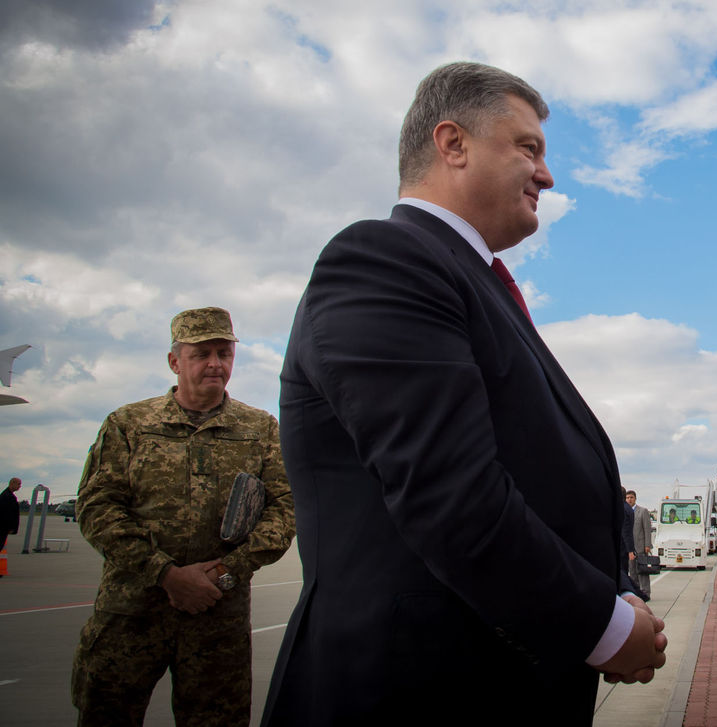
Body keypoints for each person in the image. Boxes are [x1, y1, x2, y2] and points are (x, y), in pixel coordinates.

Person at [262, 62, 666, 726]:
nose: (547, 175)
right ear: (453, 144)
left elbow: (541, 482)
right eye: (528, 148)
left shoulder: (469, 279)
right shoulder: (385, 259)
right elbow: (452, 496)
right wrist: (604, 625)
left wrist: (616, 593)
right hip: (415, 693)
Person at [71, 307, 296, 726]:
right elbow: (97, 506)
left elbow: (284, 509)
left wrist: (226, 572)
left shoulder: (260, 429)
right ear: (175, 361)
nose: (215, 364)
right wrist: (165, 574)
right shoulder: (129, 424)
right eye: (201, 353)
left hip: (218, 616)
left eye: (224, 353)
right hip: (131, 612)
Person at [627, 489, 653, 596]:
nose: (629, 500)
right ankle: (636, 592)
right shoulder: (624, 511)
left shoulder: (642, 511)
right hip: (629, 548)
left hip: (641, 547)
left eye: (631, 497)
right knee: (632, 572)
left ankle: (646, 592)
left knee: (642, 571)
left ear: (635, 499)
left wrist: (647, 545)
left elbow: (647, 529)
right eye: (627, 498)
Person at [1, 477, 19, 556]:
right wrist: (11, 527)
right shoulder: (7, 496)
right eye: (18, 484)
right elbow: (8, 514)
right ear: (12, 484)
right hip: (3, 528)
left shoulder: (7, 495)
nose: (20, 486)